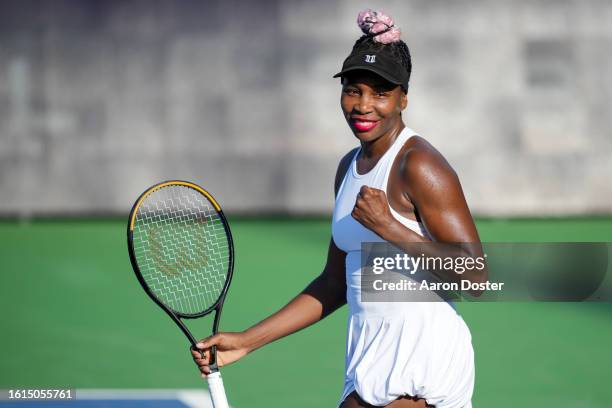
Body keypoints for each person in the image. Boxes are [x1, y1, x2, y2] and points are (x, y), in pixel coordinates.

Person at [191, 9, 485, 408]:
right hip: (367, 357)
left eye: (381, 93)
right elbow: (335, 282)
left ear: (404, 98)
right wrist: (246, 342)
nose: (364, 105)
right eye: (353, 89)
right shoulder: (348, 168)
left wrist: (391, 228)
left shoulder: (419, 164)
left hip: (421, 359)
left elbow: (476, 278)